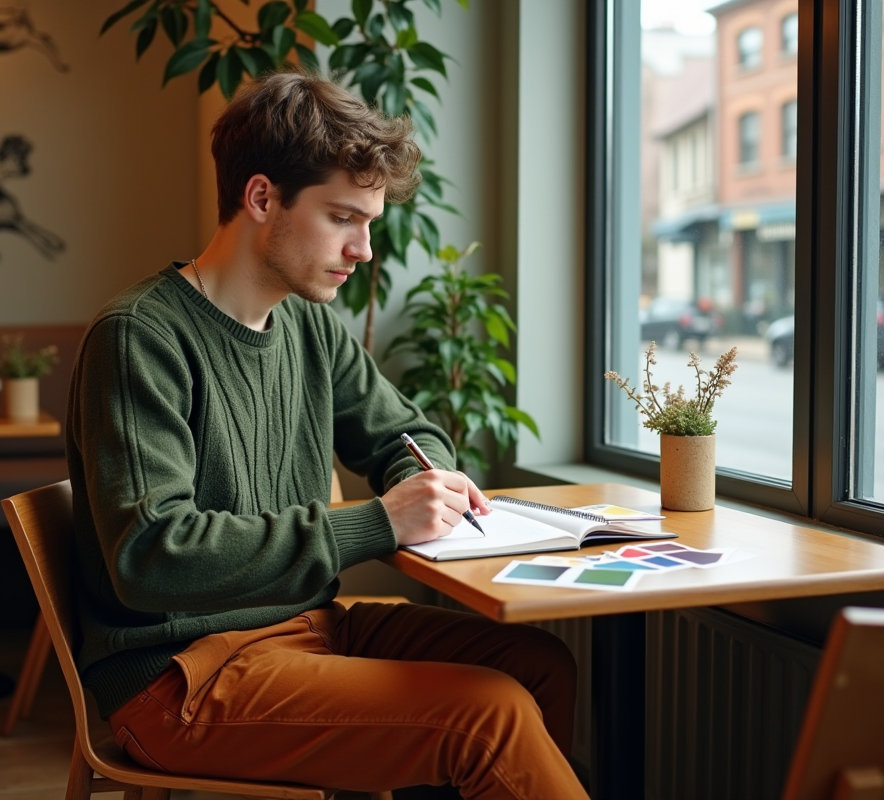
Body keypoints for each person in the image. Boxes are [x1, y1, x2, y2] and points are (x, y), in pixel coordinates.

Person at [66, 70, 587, 800]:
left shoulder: (308, 324)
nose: (364, 249)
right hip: (181, 676)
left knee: (538, 666)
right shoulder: (141, 337)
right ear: (260, 199)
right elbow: (152, 558)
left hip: (306, 627)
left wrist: (421, 477)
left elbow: (403, 430)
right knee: (488, 715)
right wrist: (376, 523)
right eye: (344, 218)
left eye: (369, 223)